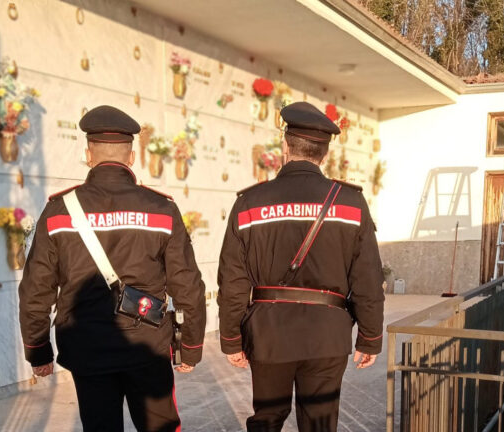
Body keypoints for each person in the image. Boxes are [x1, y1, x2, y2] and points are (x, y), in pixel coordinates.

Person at [19, 105, 207, 431]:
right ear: (132, 157)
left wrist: (38, 351)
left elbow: (36, 287)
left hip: (87, 348)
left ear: (88, 154)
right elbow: (187, 285)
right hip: (147, 346)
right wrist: (190, 347)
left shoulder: (58, 210)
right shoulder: (161, 209)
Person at [217, 101, 385, 432]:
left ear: (285, 145)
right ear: (324, 153)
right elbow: (367, 277)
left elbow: (232, 280)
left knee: (266, 420)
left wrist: (231, 338)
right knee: (320, 424)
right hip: (327, 334)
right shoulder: (350, 202)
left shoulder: (249, 202)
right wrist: (370, 336)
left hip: (268, 333)